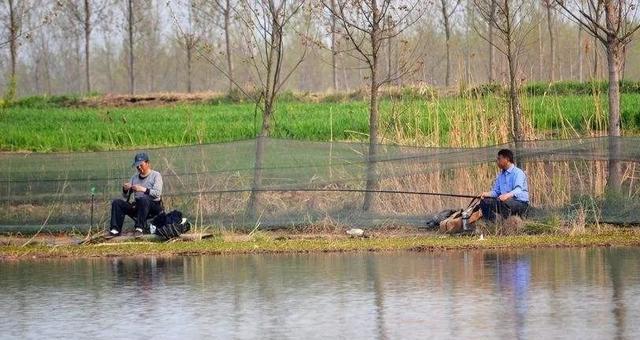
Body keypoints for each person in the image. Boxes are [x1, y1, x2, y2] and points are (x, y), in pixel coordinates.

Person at [109, 152, 163, 236]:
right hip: (138, 206)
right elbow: (125, 196)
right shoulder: (134, 177)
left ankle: (139, 228)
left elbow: (157, 193)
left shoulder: (156, 175)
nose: (139, 167)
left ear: (148, 163)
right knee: (117, 203)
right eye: (137, 166)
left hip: (153, 206)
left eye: (141, 165)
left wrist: (142, 189)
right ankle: (115, 229)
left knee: (144, 199)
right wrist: (125, 189)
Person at [479, 149, 529, 222]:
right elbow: (496, 192)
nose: (497, 161)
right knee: (484, 202)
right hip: (504, 202)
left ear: (507, 159)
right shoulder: (500, 175)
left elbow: (518, 189)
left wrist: (507, 195)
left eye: (499, 159)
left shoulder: (518, 173)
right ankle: (493, 223)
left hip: (520, 203)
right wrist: (485, 194)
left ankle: (506, 224)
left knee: (504, 203)